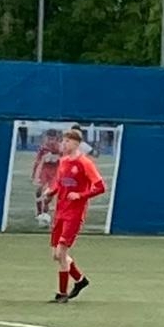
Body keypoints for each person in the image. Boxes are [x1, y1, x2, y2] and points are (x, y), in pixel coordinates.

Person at [45, 126, 105, 303]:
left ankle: (62, 293)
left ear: (77, 144)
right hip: (60, 211)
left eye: (67, 141)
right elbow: (60, 183)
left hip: (74, 213)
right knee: (56, 255)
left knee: (61, 253)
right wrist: (51, 193)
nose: (64, 144)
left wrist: (80, 195)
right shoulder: (63, 161)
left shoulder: (85, 163)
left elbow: (100, 187)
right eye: (63, 141)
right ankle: (80, 280)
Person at [32, 128, 61, 227]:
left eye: (52, 139)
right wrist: (34, 174)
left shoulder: (60, 148)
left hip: (55, 172)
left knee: (49, 194)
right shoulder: (43, 148)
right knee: (38, 191)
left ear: (56, 139)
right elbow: (37, 161)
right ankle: (39, 213)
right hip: (44, 171)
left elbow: (64, 160)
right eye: (49, 139)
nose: (50, 141)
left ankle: (45, 212)